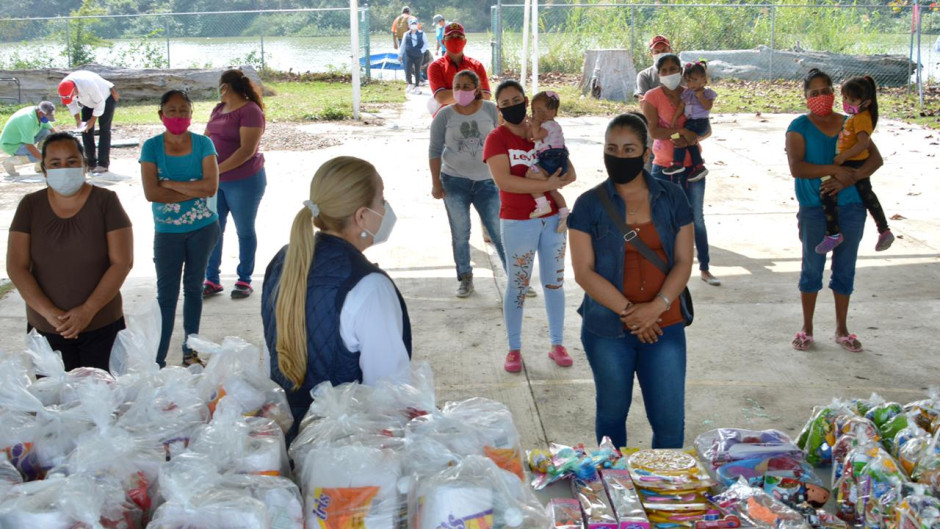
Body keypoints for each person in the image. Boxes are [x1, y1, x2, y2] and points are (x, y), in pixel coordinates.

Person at [261, 156, 411, 439]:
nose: (385, 208)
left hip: (288, 437)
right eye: (381, 200)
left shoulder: (284, 260)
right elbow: (390, 393)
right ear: (362, 216)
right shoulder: (368, 287)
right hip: (346, 456)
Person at [569, 112, 693, 448]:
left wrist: (656, 308)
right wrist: (632, 313)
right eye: (612, 148)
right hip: (608, 328)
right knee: (611, 418)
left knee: (669, 421)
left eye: (629, 149)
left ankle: (664, 495)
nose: (619, 156)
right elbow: (583, 272)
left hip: (664, 324)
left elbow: (684, 261)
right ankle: (614, 491)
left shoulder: (672, 198)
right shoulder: (588, 205)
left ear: (647, 153)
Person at [7, 132, 133, 371]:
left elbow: (122, 262)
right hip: (45, 330)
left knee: (102, 402)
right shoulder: (29, 206)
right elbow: (16, 266)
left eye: (72, 161)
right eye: (55, 163)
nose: (64, 168)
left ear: (84, 165)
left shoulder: (106, 201)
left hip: (102, 326)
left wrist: (87, 311)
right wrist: (49, 313)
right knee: (55, 405)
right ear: (44, 169)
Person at [785, 68, 884, 353]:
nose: (821, 97)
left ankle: (842, 329)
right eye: (814, 93)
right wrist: (835, 170)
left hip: (852, 206)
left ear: (834, 92)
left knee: (845, 268)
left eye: (826, 90)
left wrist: (849, 179)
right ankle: (807, 328)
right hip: (815, 209)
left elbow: (875, 160)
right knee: (812, 268)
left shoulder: (851, 123)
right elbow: (797, 167)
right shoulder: (799, 127)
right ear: (806, 97)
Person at [484, 80, 576, 373]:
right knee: (518, 285)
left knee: (554, 283)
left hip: (552, 222)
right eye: (505, 103)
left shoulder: (547, 130)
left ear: (526, 101)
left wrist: (552, 183)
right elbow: (504, 182)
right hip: (517, 222)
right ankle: (514, 349)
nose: (512, 106)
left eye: (516, 100)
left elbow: (570, 173)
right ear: (499, 109)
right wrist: (548, 184)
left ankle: (557, 343)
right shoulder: (496, 139)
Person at [140, 90, 220, 368]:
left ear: (191, 113)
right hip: (167, 232)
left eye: (183, 110)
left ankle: (191, 350)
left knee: (194, 290)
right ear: (161, 114)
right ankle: (158, 358)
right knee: (167, 296)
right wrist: (193, 189)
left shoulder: (203, 144)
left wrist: (170, 184)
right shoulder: (151, 147)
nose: (178, 115)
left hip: (204, 228)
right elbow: (151, 193)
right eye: (171, 110)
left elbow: (210, 187)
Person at [642, 54, 720, 287]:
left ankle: (704, 268)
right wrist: (683, 135)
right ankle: (663, 270)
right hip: (664, 166)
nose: (669, 73)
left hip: (692, 167)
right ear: (658, 74)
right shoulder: (652, 97)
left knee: (696, 218)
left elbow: (705, 129)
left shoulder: (693, 92)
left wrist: (691, 137)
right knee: (661, 219)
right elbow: (654, 131)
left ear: (681, 71)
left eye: (673, 68)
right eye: (664, 70)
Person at [429, 70, 506, 298]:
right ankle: (465, 278)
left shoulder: (491, 110)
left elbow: (505, 139)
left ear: (477, 89)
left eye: (466, 86)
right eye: (457, 86)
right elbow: (434, 151)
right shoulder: (444, 116)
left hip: (488, 182)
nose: (461, 91)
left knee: (498, 231)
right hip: (454, 182)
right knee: (460, 233)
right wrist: (436, 183)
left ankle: (517, 276)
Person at [203, 69, 267, 300]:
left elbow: (247, 151)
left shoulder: (250, 111)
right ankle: (212, 279)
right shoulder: (218, 109)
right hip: (216, 182)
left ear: (226, 87)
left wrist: (216, 171)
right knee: (214, 229)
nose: (217, 90)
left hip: (244, 181)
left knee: (245, 230)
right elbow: (206, 136)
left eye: (219, 86)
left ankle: (244, 279)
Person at [817, 75, 893, 254]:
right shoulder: (856, 116)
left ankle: (834, 234)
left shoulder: (861, 118)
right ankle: (884, 230)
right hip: (855, 160)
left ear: (865, 102)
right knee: (867, 195)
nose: (846, 102)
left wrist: (843, 157)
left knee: (827, 192)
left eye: (852, 99)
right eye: (844, 98)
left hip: (854, 161)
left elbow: (863, 143)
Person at [58, 70, 119, 174]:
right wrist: (78, 121)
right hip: (87, 101)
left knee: (104, 129)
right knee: (85, 130)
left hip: (105, 98)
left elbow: (100, 103)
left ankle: (103, 164)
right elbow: (71, 104)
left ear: (75, 89)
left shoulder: (88, 84)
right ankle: (91, 163)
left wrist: (92, 120)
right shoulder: (64, 88)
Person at [666, 61, 716, 182]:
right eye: (688, 81)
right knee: (688, 141)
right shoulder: (687, 93)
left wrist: (701, 97)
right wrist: (675, 118)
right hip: (690, 123)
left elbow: (708, 107)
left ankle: (678, 163)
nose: (691, 83)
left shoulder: (706, 93)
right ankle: (698, 166)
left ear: (704, 80)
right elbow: (681, 107)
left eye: (694, 79)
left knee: (679, 138)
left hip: (700, 123)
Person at [527, 91, 569, 228]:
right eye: (534, 110)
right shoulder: (552, 125)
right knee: (553, 189)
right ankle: (564, 213)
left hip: (550, 158)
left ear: (553, 112)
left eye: (540, 110)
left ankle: (542, 204)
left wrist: (534, 126)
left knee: (530, 175)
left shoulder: (548, 125)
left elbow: (537, 136)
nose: (536, 114)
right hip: (559, 159)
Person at [428, 23, 492, 108]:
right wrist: (474, 92)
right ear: (443, 42)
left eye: (459, 37)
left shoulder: (477, 66)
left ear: (465, 42)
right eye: (450, 37)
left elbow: (486, 96)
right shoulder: (435, 67)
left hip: (473, 116)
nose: (455, 39)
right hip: (447, 117)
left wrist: (454, 94)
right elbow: (441, 97)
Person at [1, 101, 57, 176]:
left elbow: (52, 131)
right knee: (41, 156)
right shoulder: (28, 120)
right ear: (40, 113)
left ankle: (39, 166)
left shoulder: (39, 113)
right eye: (47, 118)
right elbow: (29, 146)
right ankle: (10, 161)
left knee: (47, 133)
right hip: (12, 145)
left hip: (23, 139)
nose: (47, 120)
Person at [635, 35, 673, 100]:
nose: (661, 54)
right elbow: (643, 102)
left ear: (671, 51)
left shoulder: (683, 72)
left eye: (664, 50)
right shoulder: (644, 76)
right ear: (651, 55)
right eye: (657, 52)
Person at [398, 16, 429, 94]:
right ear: (409, 25)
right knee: (408, 69)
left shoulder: (422, 34)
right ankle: (409, 84)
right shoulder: (406, 34)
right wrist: (400, 55)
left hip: (419, 55)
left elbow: (426, 44)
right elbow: (403, 45)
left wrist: (421, 51)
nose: (413, 25)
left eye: (415, 24)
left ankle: (417, 86)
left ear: (417, 25)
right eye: (412, 24)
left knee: (417, 70)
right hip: (409, 54)